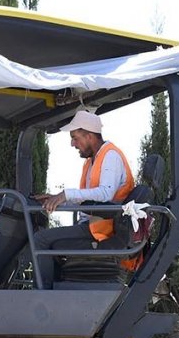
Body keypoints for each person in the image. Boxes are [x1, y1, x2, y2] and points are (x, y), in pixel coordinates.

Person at [33, 109, 135, 288]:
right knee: (51, 241)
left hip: (103, 228)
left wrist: (66, 194)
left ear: (89, 136)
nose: (72, 144)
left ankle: (43, 294)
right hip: (93, 225)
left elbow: (105, 194)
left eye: (75, 138)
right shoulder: (91, 161)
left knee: (40, 239)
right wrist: (58, 198)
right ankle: (57, 288)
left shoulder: (110, 156)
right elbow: (88, 199)